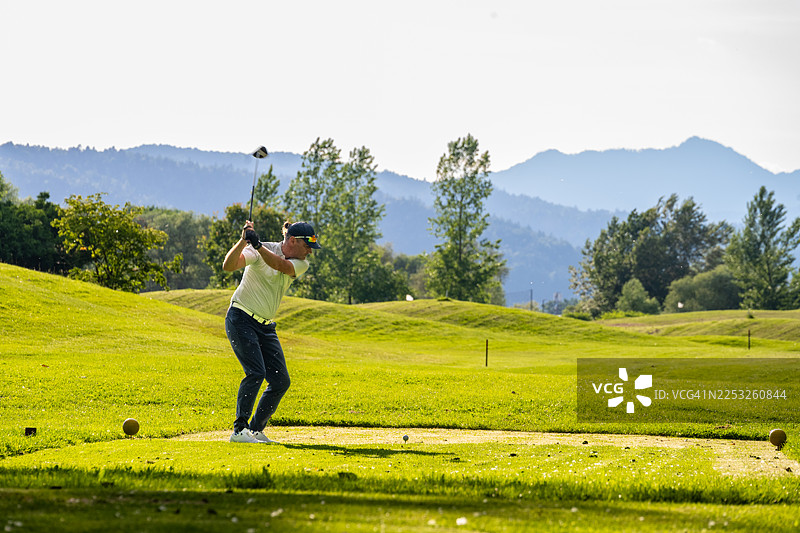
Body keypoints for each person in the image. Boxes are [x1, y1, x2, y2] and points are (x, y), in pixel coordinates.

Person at [222, 219, 321, 443]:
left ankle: (255, 429)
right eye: (307, 246)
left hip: (265, 325)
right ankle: (239, 431)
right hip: (240, 318)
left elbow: (281, 266)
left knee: (280, 381)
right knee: (256, 372)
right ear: (293, 240)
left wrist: (256, 245)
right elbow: (228, 266)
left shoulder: (300, 263)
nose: (309, 252)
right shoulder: (258, 250)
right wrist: (243, 241)